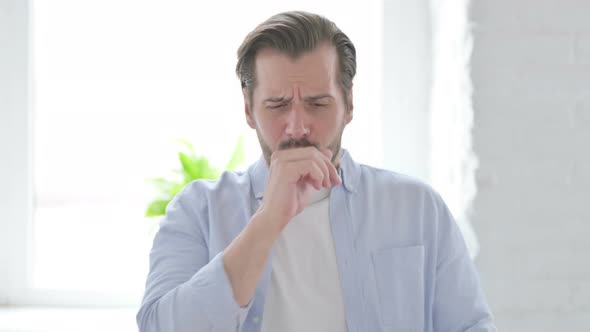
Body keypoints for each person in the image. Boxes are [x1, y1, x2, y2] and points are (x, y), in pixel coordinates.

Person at [136, 11, 496, 332]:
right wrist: (269, 219)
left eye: (317, 103)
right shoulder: (197, 211)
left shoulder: (417, 209)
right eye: (277, 105)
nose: (297, 127)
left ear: (349, 104)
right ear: (248, 109)